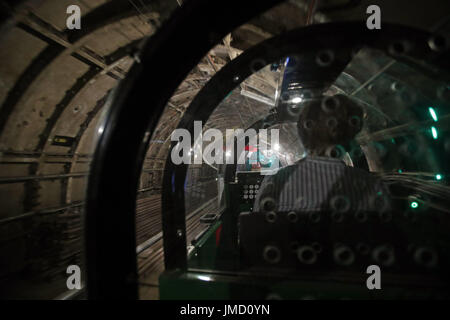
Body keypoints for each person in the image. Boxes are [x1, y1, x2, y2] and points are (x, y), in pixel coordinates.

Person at [253, 94, 391, 214]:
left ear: (303, 134)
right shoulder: (372, 186)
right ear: (350, 138)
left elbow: (258, 233)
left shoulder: (276, 182)